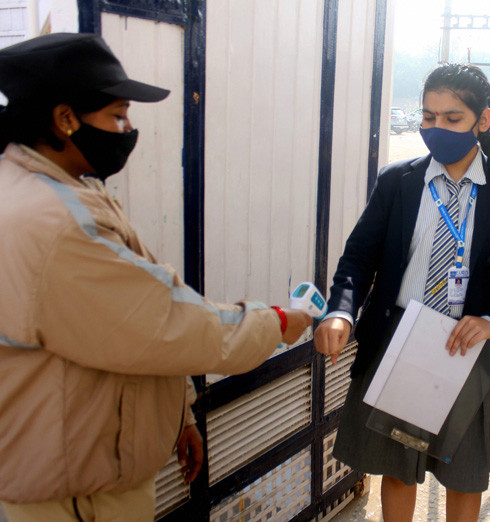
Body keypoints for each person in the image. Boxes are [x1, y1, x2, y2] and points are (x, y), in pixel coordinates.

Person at [0, 33, 312, 522]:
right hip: (73, 493)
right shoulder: (52, 222)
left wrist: (177, 414)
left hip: (83, 470)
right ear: (65, 119)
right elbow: (165, 322)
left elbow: (128, 326)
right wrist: (274, 322)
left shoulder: (59, 190)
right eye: (118, 115)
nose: (128, 129)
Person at [314, 63, 490, 521]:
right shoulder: (399, 182)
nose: (436, 128)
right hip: (400, 340)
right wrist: (341, 311)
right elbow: (358, 259)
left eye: (451, 118)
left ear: (483, 119)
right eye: (428, 116)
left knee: (464, 475)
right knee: (397, 471)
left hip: (469, 348)